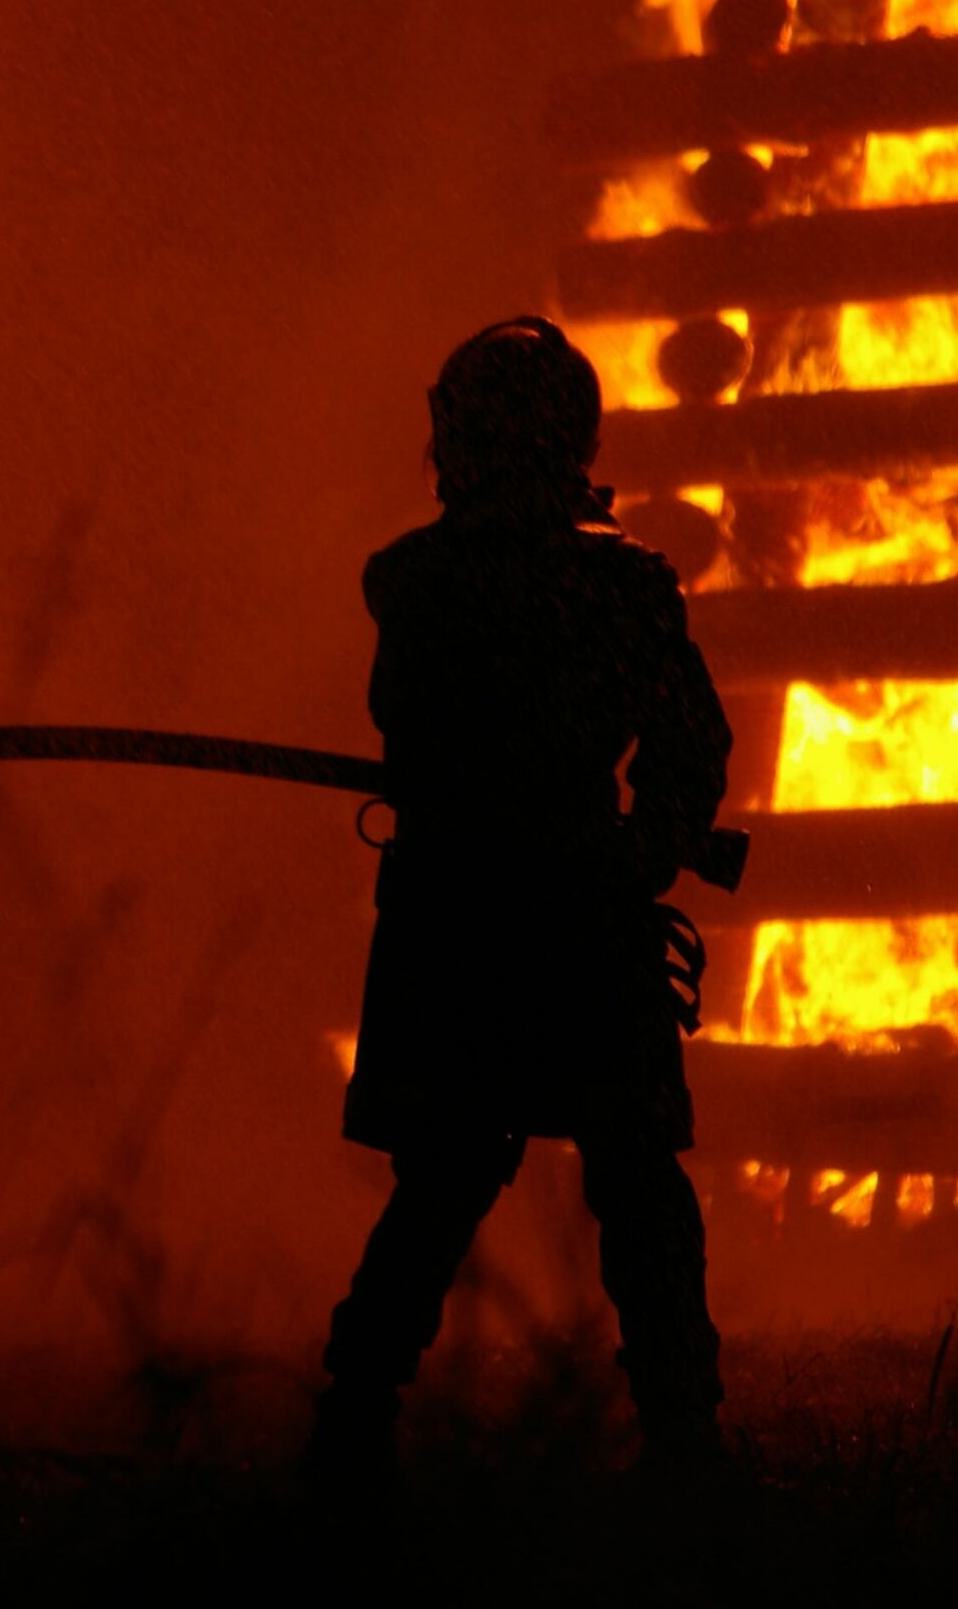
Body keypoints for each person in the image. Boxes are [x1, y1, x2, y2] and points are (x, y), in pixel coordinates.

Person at [310, 317, 733, 1486]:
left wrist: (627, 849)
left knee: (447, 1182)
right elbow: (689, 748)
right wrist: (636, 852)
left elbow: (408, 724)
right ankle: (682, 1434)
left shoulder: (414, 584)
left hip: (464, 923)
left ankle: (353, 1419)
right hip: (574, 925)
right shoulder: (621, 586)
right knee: (634, 1185)